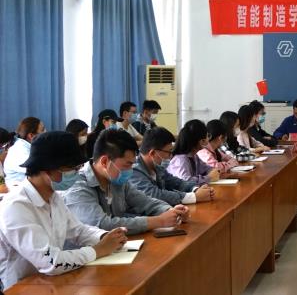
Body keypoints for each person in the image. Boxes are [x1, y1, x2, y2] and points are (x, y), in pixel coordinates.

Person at [0, 132, 127, 291]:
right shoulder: (15, 207)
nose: (76, 173)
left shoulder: (54, 197)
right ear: (47, 170)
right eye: (71, 169)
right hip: (23, 288)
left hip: (53, 282)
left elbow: (78, 230)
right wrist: (97, 250)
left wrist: (105, 237)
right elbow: (52, 262)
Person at [64, 129, 188, 235]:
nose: (130, 170)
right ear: (105, 162)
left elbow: (145, 202)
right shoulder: (77, 186)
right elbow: (102, 225)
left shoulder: (116, 180)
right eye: (127, 165)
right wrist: (159, 221)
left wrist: (171, 212)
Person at [130, 127, 215, 206]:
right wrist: (194, 197)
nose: (170, 156)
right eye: (168, 152)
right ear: (153, 153)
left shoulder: (157, 167)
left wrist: (196, 189)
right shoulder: (133, 170)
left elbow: (177, 183)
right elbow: (155, 194)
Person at [167, 120, 221, 185]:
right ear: (201, 141)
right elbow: (185, 182)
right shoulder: (181, 159)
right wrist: (208, 177)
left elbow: (207, 169)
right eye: (207, 136)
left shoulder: (194, 156)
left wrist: (214, 171)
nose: (208, 139)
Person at [4, 117, 45, 185]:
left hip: (28, 187)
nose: (46, 132)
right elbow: (38, 170)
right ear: (31, 135)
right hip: (16, 188)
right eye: (42, 130)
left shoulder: (29, 147)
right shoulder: (19, 150)